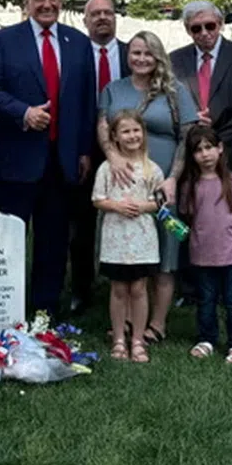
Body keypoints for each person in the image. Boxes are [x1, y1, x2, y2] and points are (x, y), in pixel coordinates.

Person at [0, 0, 96, 317]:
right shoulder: (4, 40)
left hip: (62, 160)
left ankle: (45, 310)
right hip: (17, 157)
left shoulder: (77, 42)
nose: (47, 4)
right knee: (11, 240)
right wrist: (23, 112)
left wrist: (84, 150)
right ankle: (8, 308)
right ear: (26, 3)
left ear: (62, 0)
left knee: (54, 241)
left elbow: (86, 101)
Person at [99, 31, 197, 345]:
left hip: (162, 177)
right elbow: (103, 125)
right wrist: (112, 156)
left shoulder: (174, 90)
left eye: (148, 54)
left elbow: (187, 135)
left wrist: (173, 177)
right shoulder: (114, 89)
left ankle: (157, 322)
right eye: (136, 53)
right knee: (127, 245)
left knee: (164, 249)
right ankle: (126, 320)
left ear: (158, 57)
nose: (141, 59)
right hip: (123, 180)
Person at [169, 0, 232, 316]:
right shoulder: (175, 61)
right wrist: (196, 144)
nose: (204, 33)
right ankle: (194, 288)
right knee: (195, 217)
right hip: (193, 155)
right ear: (187, 30)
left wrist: (215, 142)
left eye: (210, 25)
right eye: (196, 28)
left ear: (220, 24)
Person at [69, 0, 129, 315]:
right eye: (96, 13)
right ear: (85, 20)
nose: (103, 17)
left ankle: (130, 282)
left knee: (131, 213)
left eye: (108, 12)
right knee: (82, 221)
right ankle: (81, 287)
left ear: (116, 16)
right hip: (85, 147)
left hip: (128, 145)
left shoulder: (132, 52)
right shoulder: (74, 54)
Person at [177, 126, 232, 365]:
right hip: (203, 255)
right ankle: (207, 338)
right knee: (206, 300)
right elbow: (187, 216)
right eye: (198, 150)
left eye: (209, 147)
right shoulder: (191, 186)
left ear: (220, 149)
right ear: (192, 156)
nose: (205, 154)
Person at [92, 110, 162, 363]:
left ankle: (138, 339)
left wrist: (144, 207)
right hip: (116, 238)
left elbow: (159, 202)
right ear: (115, 137)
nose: (132, 136)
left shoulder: (151, 168)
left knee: (140, 289)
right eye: (125, 131)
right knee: (119, 289)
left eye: (136, 130)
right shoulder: (107, 168)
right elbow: (97, 199)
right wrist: (117, 206)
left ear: (143, 133)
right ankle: (119, 338)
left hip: (143, 238)